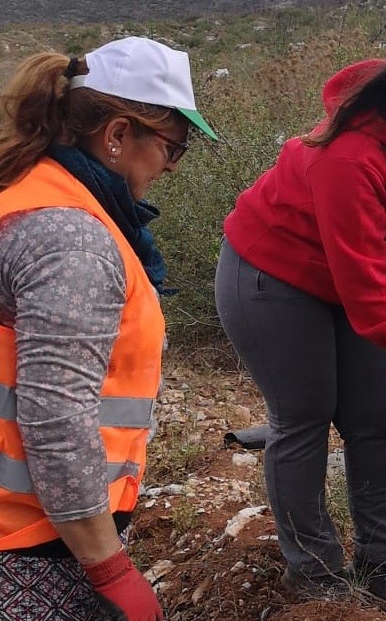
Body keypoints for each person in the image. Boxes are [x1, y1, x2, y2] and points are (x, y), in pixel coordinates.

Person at [215, 21, 386, 617]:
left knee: (374, 418)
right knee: (305, 415)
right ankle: (314, 575)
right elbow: (361, 278)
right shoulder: (349, 155)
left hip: (348, 274)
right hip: (273, 272)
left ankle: (384, 565)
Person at [0, 37, 217, 620]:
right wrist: (109, 566)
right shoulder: (72, 240)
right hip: (27, 545)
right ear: (118, 135)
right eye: (174, 146)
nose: (173, 165)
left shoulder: (27, 194)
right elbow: (55, 415)